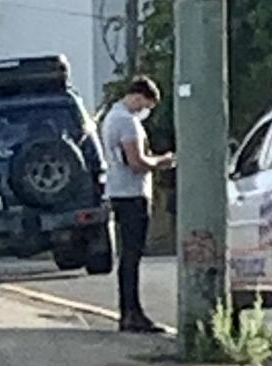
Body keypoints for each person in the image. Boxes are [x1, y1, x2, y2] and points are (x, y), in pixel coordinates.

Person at [101, 76, 174, 333]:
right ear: (139, 96)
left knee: (129, 255)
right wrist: (163, 161)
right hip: (131, 194)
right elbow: (137, 162)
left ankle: (129, 311)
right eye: (147, 104)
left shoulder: (112, 117)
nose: (146, 110)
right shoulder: (126, 121)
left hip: (119, 191)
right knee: (132, 254)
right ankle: (132, 313)